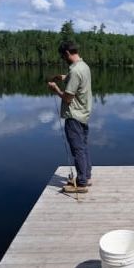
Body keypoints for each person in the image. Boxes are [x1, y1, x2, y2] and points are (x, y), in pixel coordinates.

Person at [48, 42, 92, 193]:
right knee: (83, 147)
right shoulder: (84, 66)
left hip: (74, 117)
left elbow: (67, 98)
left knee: (77, 149)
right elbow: (77, 79)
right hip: (84, 114)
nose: (63, 59)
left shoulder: (75, 72)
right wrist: (63, 77)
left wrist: (56, 89)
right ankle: (86, 176)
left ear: (67, 53)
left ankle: (81, 184)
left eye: (62, 56)